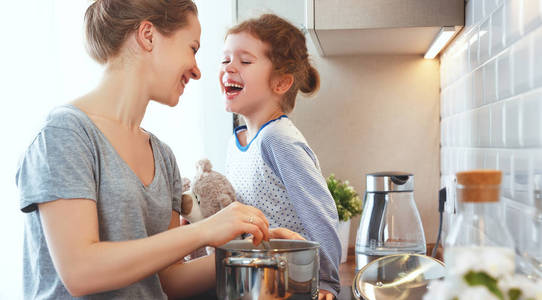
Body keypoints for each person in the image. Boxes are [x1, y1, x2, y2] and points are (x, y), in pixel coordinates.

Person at [16, 1, 298, 298]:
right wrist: (204, 230)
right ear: (148, 36)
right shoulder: (66, 134)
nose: (198, 70)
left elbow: (169, 280)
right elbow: (80, 271)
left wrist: (255, 255)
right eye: (192, 48)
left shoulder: (162, 157)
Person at [221, 14, 342, 299]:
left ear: (281, 83)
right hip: (256, 282)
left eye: (245, 61)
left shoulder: (278, 139)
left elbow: (320, 213)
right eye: (225, 60)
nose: (229, 68)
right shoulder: (236, 140)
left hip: (291, 284)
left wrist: (326, 282)